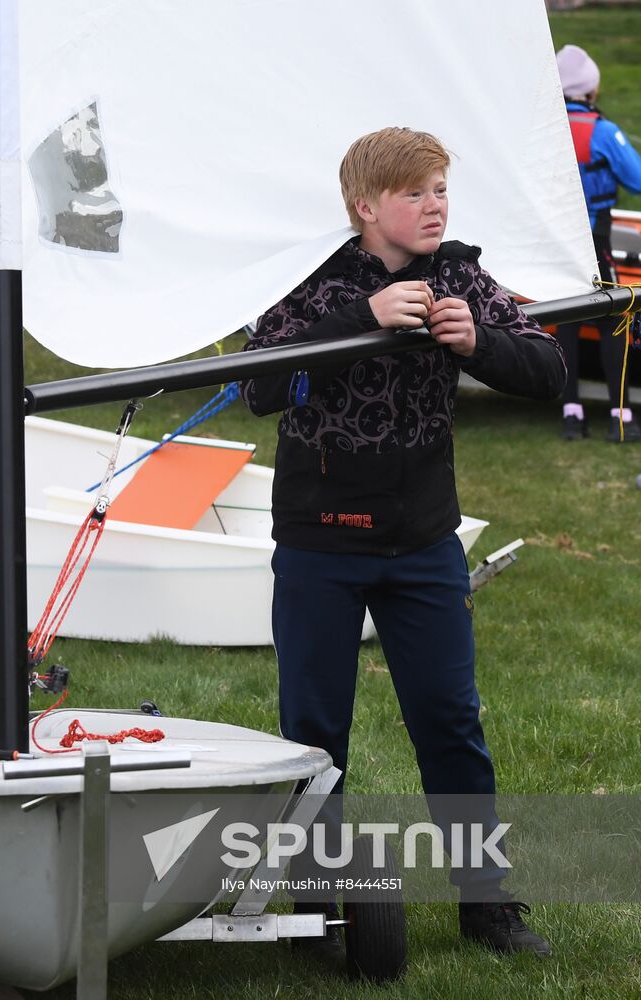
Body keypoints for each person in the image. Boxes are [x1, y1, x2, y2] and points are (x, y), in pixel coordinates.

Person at [240, 127, 561, 956]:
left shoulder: (457, 273)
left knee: (449, 720)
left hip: (422, 541)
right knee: (313, 732)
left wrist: (477, 343)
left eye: (441, 190)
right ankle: (317, 909)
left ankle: (485, 903)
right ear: (365, 207)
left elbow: (548, 369)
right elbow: (257, 384)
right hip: (319, 540)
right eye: (415, 193)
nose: (434, 206)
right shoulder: (315, 277)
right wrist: (362, 318)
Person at [554, 44, 641, 443]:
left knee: (567, 319)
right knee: (615, 317)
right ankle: (621, 418)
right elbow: (639, 182)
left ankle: (571, 415)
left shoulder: (545, 127)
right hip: (594, 237)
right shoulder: (603, 131)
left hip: (558, 237)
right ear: (591, 90)